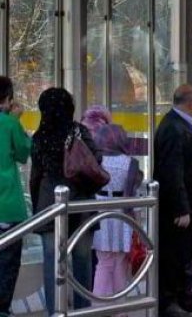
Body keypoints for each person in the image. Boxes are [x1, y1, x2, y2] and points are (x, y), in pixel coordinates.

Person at [30, 87, 100, 313]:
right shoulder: (79, 131)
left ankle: (55, 311)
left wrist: (37, 209)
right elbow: (96, 160)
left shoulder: (40, 136)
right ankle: (82, 310)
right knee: (82, 262)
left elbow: (36, 176)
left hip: (50, 204)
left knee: (52, 263)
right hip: (81, 204)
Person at [154, 85, 192, 317]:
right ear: (191, 103)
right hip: (180, 210)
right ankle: (169, 303)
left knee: (186, 255)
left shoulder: (186, 127)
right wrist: (181, 208)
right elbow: (171, 171)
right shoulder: (173, 127)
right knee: (174, 256)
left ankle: (186, 300)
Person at [91, 124, 143, 303]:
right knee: (121, 263)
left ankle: (98, 306)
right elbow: (132, 193)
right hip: (122, 211)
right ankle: (119, 309)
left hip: (99, 211)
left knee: (103, 262)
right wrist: (137, 221)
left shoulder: (96, 159)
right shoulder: (131, 163)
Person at [0, 77, 31, 316]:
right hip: (8, 205)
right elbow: (23, 153)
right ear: (8, 100)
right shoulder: (10, 124)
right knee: (8, 265)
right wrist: (15, 120)